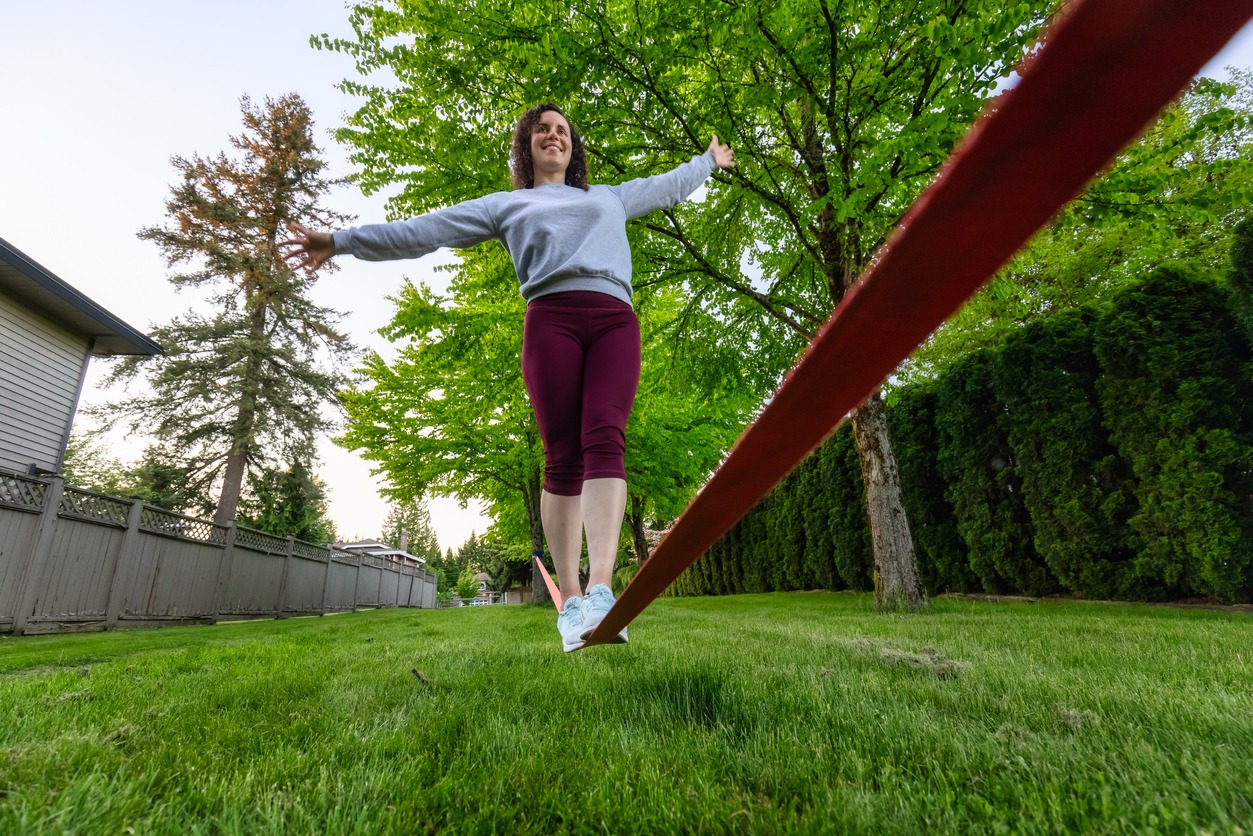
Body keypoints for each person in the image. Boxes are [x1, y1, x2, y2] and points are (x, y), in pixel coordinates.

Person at [281, 103, 735, 652]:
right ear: (527, 145)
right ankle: (570, 604)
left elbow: (668, 185)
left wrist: (708, 161)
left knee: (606, 438)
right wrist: (341, 240)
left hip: (615, 318)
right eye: (542, 129)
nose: (554, 136)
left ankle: (601, 591)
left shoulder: (607, 197)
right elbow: (424, 231)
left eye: (563, 130)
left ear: (574, 147)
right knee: (562, 455)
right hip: (552, 321)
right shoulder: (507, 204)